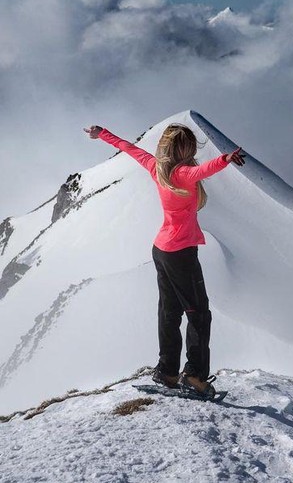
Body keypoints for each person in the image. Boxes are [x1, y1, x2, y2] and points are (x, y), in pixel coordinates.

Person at [84, 123, 245, 398]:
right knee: (198, 314)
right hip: (181, 252)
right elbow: (201, 171)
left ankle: (167, 371)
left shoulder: (157, 168)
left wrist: (102, 134)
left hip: (161, 249)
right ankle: (194, 377)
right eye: (190, 145)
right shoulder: (182, 174)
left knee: (169, 312)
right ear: (183, 148)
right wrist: (225, 159)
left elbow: (130, 148)